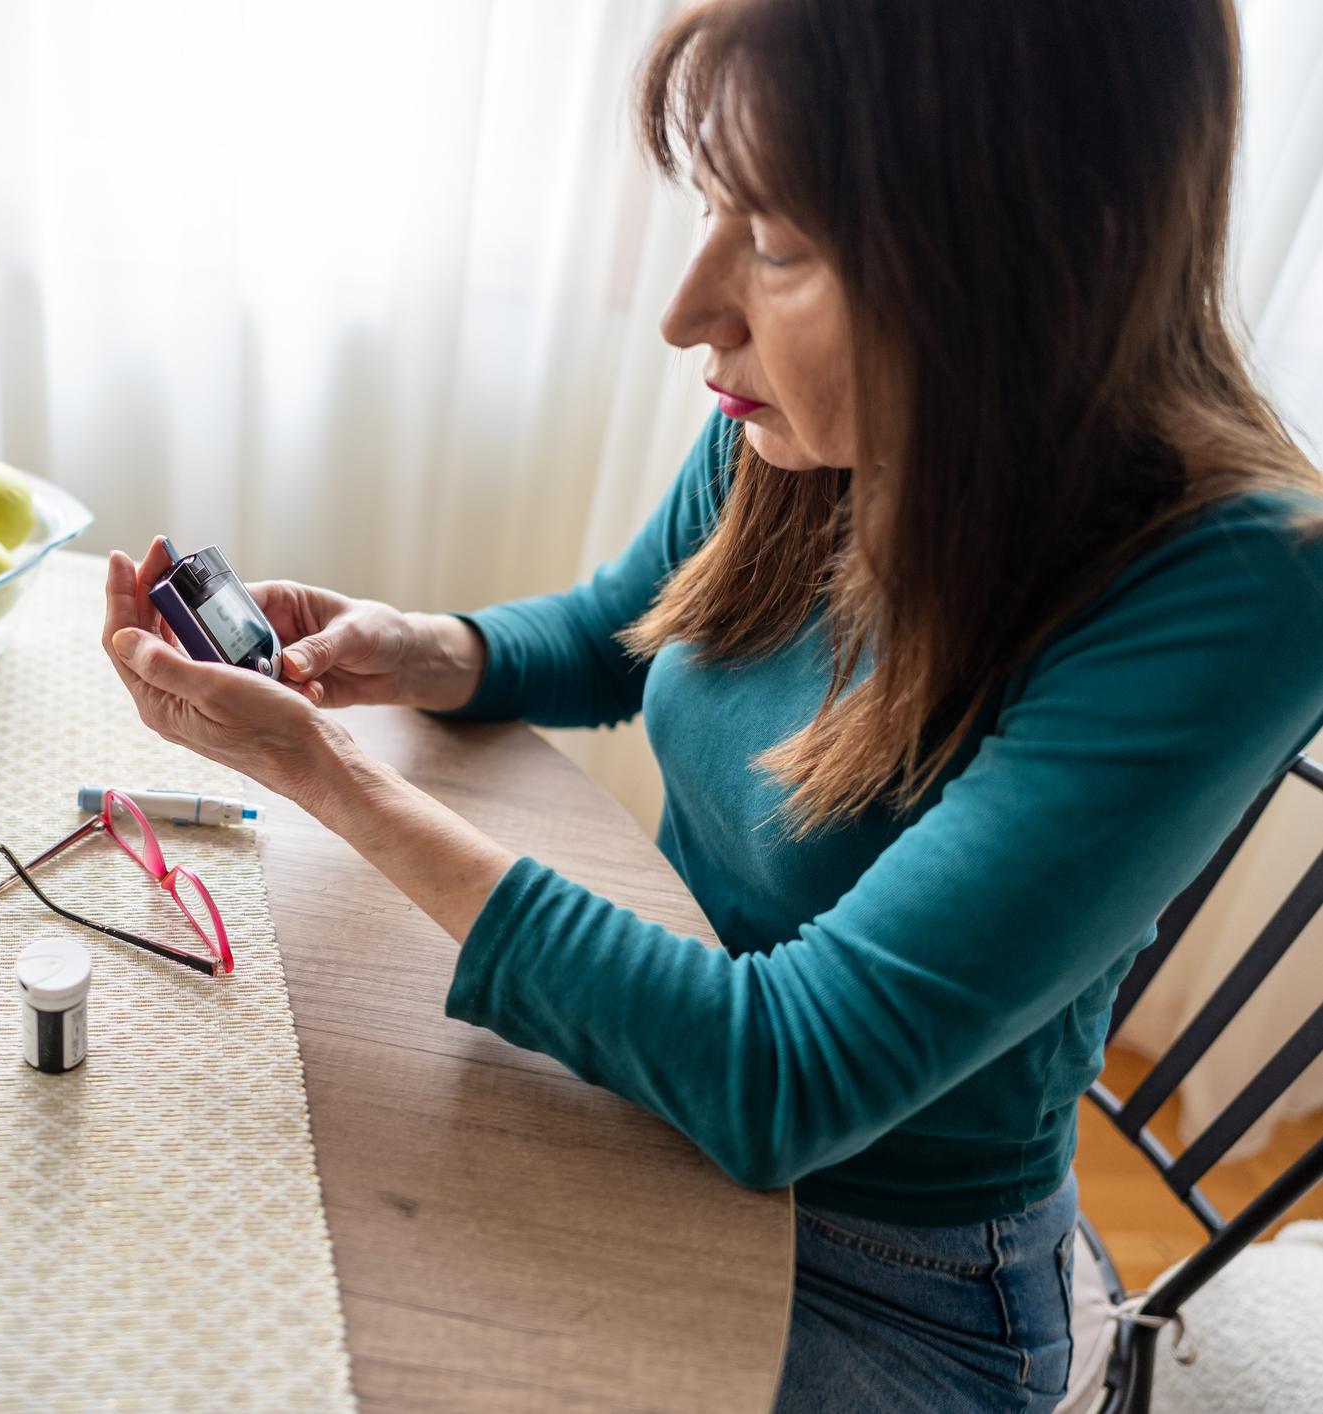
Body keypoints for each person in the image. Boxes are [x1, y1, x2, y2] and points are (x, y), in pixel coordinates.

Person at [100, 1, 1323, 1409]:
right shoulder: (813, 414)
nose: (688, 310)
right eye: (714, 207)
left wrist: (325, 774)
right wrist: (419, 648)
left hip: (893, 1272)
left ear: (1035, 259)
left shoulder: (1239, 584)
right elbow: (626, 632)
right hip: (641, 1109)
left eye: (782, 241)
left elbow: (781, 1074)